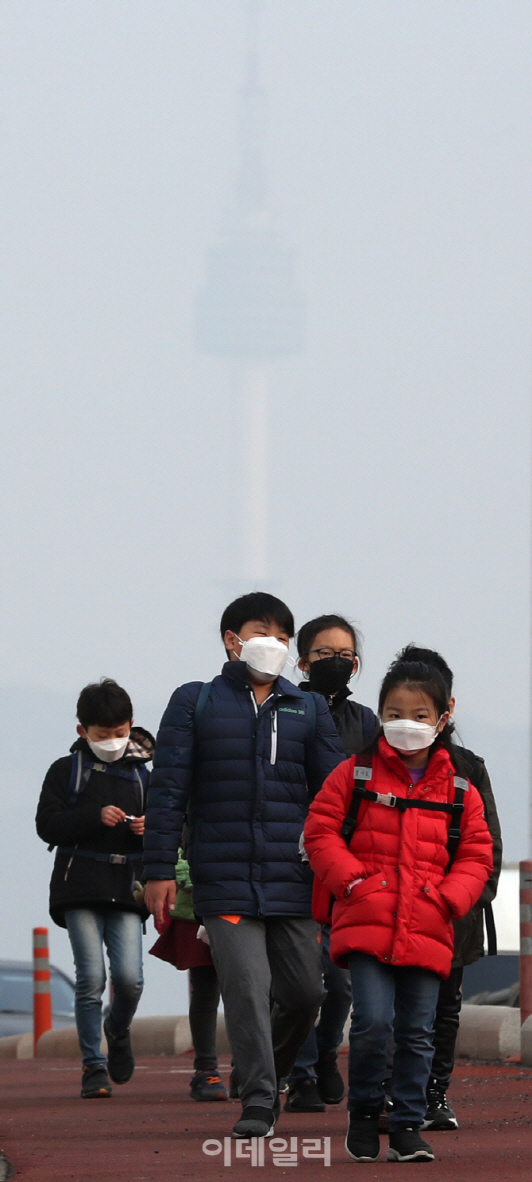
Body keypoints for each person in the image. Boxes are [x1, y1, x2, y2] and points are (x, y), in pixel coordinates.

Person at [143, 591, 344, 1139]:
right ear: (232, 640)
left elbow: (336, 792)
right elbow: (167, 792)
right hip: (223, 877)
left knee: (305, 993)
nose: (274, 644)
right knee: (248, 989)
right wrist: (158, 868)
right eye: (263, 633)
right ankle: (258, 1099)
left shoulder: (308, 708)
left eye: (284, 636)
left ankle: (265, 1071)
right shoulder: (195, 701)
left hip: (293, 875)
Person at [304, 659, 493, 1164]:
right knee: (370, 1022)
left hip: (429, 926)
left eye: (418, 712)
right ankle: (364, 1113)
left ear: (441, 718)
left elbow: (477, 854)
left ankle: (407, 1124)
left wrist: (449, 899)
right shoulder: (354, 774)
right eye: (393, 710)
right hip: (365, 923)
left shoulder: (459, 789)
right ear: (379, 714)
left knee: (417, 1031)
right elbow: (319, 831)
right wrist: (353, 883)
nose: (405, 721)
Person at [393, 644, 502, 1132]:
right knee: (397, 1013)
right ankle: (396, 1097)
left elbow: (488, 847)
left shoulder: (468, 768)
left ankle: (434, 1095)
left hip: (452, 917)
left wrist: (467, 899)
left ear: (445, 707)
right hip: (391, 914)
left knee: (444, 1011)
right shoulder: (370, 767)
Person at [36, 678, 152, 1099]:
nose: (113, 742)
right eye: (103, 735)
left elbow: (170, 834)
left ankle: (116, 1030)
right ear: (82, 730)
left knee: (130, 979)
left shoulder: (144, 776)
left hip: (126, 887)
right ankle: (93, 1066)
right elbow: (45, 825)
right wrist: (92, 816)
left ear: (132, 725)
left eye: (120, 733)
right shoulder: (65, 770)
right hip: (79, 885)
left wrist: (148, 830)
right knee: (91, 978)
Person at [284, 614, 377, 1114]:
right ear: (302, 660)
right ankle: (299, 1077)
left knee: (340, 979)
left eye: (344, 655)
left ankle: (323, 1055)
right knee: (299, 976)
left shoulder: (366, 722)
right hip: (292, 860)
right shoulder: (286, 711)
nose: (335, 663)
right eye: (324, 654)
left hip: (347, 865)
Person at [147, 849, 228, 1101]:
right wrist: (186, 876)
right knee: (205, 988)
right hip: (197, 904)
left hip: (243, 897)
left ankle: (247, 1068)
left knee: (249, 988)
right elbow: (174, 841)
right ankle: (206, 1069)